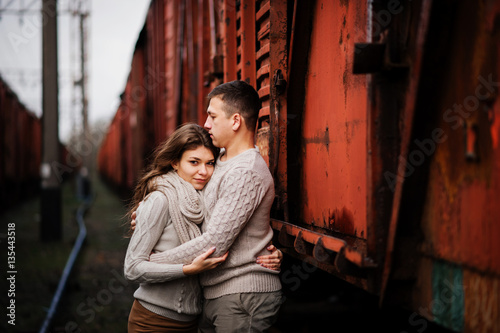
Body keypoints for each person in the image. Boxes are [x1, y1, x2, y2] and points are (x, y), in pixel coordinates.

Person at [143, 80, 284, 332]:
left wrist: (154, 262)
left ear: (235, 121)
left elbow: (214, 243)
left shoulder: (246, 172)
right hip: (218, 295)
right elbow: (185, 195)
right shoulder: (218, 161)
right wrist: (147, 211)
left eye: (212, 116)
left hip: (242, 296)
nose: (206, 124)